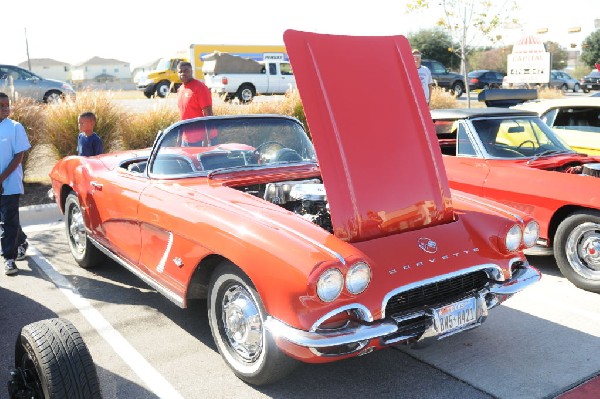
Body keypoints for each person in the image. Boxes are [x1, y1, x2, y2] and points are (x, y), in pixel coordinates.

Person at [0, 92, 31, 275]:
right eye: (1, 105)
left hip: (9, 183)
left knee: (8, 221)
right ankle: (21, 241)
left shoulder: (15, 127)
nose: (6, 108)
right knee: (8, 219)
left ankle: (8, 259)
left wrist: (1, 179)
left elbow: (19, 156)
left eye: (7, 104)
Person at [176, 61, 215, 146]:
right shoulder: (180, 89)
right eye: (180, 71)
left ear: (191, 71)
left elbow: (209, 115)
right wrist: (179, 140)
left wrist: (206, 140)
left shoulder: (200, 88)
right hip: (186, 141)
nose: (183, 73)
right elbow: (182, 116)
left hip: (202, 140)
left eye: (186, 71)